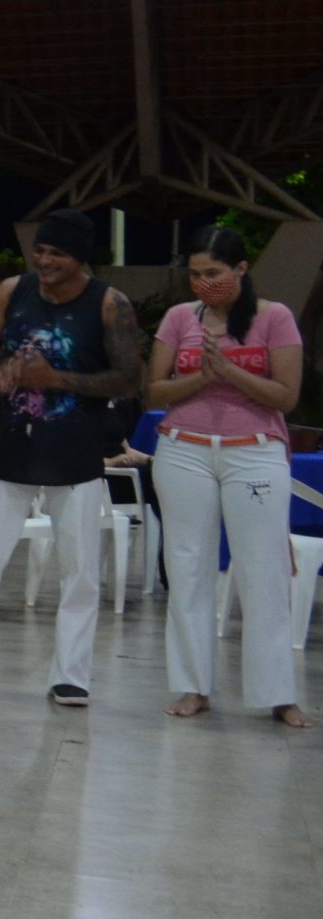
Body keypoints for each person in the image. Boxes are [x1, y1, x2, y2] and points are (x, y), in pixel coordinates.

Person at [0, 209, 139, 707]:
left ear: (80, 258)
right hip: (10, 447)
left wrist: (56, 379)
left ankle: (71, 675)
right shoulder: (12, 290)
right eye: (39, 250)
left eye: (56, 254)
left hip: (77, 453)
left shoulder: (109, 304)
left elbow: (131, 380)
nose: (44, 261)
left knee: (79, 569)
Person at [146, 225, 311, 726]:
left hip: (254, 451)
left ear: (241, 269)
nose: (203, 282)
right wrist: (201, 377)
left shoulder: (274, 317)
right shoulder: (180, 318)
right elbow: (154, 391)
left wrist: (230, 373)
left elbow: (286, 396)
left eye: (214, 272)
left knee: (264, 571)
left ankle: (278, 694)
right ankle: (193, 686)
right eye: (195, 274)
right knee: (187, 567)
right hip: (184, 451)